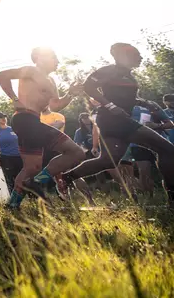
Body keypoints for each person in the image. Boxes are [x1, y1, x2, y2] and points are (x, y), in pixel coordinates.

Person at [62, 44, 174, 208]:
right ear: (122, 55)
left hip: (114, 121)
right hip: (115, 120)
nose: (140, 57)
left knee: (108, 160)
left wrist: (142, 101)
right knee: (167, 150)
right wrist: (110, 106)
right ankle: (172, 198)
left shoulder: (127, 75)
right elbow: (89, 86)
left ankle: (66, 178)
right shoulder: (110, 70)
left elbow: (122, 96)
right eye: (136, 54)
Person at [0, 47, 86, 208]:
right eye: (54, 57)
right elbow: (2, 76)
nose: (58, 61)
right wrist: (13, 98)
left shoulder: (51, 81)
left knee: (34, 167)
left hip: (35, 121)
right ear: (39, 58)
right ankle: (29, 189)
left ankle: (17, 200)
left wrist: (70, 93)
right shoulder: (31, 71)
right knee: (37, 165)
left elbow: (56, 105)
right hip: (24, 119)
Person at [0, 112, 22, 194]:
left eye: (4, 117)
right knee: (10, 180)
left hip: (19, 157)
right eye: (1, 117)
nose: (3, 119)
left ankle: (30, 198)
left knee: (22, 178)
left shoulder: (12, 129)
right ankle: (13, 199)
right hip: (7, 158)